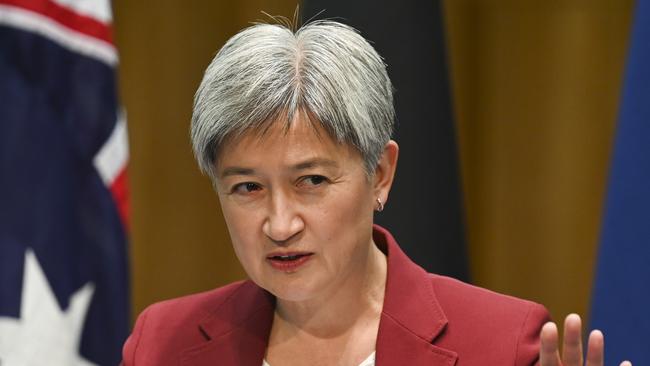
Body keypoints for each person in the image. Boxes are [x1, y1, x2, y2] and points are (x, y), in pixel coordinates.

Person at [121, 20, 631, 366]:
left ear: (381, 174)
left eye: (312, 181)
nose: (280, 225)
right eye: (247, 187)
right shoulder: (163, 343)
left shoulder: (498, 343)